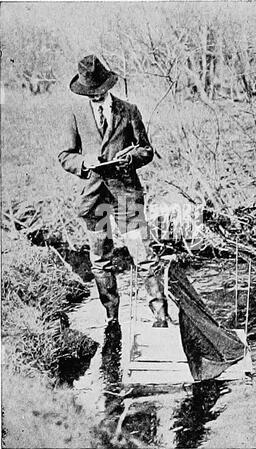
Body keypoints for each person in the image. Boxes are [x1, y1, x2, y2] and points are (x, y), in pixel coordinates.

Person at [58, 54, 168, 327]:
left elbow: (146, 150)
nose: (95, 97)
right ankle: (111, 317)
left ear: (108, 86)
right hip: (95, 198)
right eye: (90, 93)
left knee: (144, 257)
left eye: (98, 92)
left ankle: (161, 316)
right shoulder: (75, 115)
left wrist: (130, 158)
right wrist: (85, 162)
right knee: (100, 261)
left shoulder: (128, 111)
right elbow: (65, 155)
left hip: (126, 195)